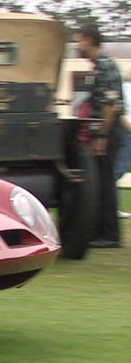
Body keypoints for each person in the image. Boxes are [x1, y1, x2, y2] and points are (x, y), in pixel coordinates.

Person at [74, 25, 124, 248]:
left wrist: (102, 135)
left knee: (104, 182)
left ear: (89, 40)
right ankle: (99, 231)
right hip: (101, 131)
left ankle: (109, 235)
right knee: (99, 182)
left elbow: (110, 105)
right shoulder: (98, 67)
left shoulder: (105, 66)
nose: (77, 45)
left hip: (107, 131)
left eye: (79, 40)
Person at [114, 68, 131, 219]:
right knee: (118, 170)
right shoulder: (125, 89)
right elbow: (123, 114)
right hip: (127, 133)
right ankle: (113, 208)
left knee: (118, 169)